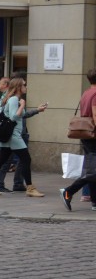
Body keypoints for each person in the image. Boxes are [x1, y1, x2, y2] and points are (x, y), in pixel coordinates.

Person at [0, 77, 44, 197]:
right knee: (26, 159)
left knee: (1, 160)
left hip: (9, 136)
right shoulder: (14, 99)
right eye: (24, 85)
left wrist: (37, 110)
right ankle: (30, 188)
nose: (26, 87)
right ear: (18, 87)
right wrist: (22, 105)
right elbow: (13, 117)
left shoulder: (13, 99)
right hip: (13, 136)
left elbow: (20, 115)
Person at [60, 67, 96, 211]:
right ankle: (69, 191)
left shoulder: (87, 92)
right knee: (93, 169)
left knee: (92, 168)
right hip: (94, 134)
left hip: (86, 134)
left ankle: (94, 202)